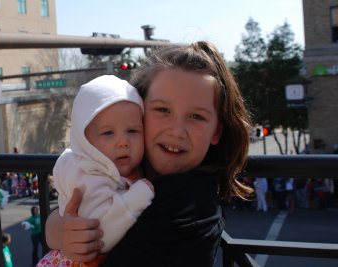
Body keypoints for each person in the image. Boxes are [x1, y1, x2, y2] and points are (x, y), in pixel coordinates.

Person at [44, 41, 253, 266]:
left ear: (216, 132)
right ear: (136, 111)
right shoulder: (121, 169)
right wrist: (60, 232)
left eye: (196, 117)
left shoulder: (190, 214)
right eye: (162, 110)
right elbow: (70, 211)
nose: (176, 130)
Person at [37, 75, 155, 266]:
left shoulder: (118, 169)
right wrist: (139, 196)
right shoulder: (88, 176)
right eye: (108, 133)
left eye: (133, 131)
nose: (123, 141)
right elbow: (101, 234)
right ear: (85, 142)